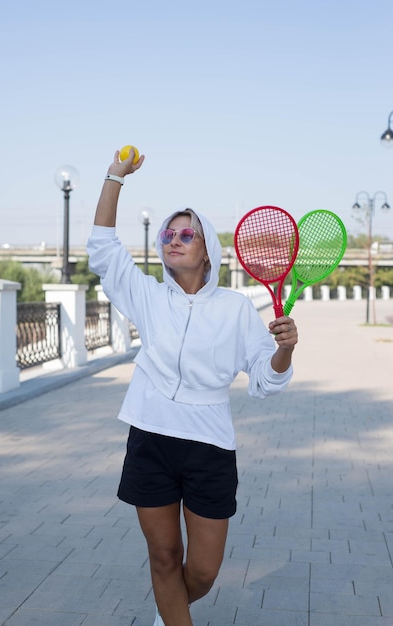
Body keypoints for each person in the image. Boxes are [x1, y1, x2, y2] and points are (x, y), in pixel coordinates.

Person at [87, 148, 298, 626]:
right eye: (168, 233)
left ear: (208, 250)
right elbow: (102, 248)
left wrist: (284, 349)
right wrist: (114, 177)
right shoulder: (147, 295)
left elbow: (266, 381)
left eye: (187, 234)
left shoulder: (237, 308)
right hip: (150, 437)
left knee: (201, 571)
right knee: (163, 559)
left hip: (209, 446)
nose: (173, 240)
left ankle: (170, 613)